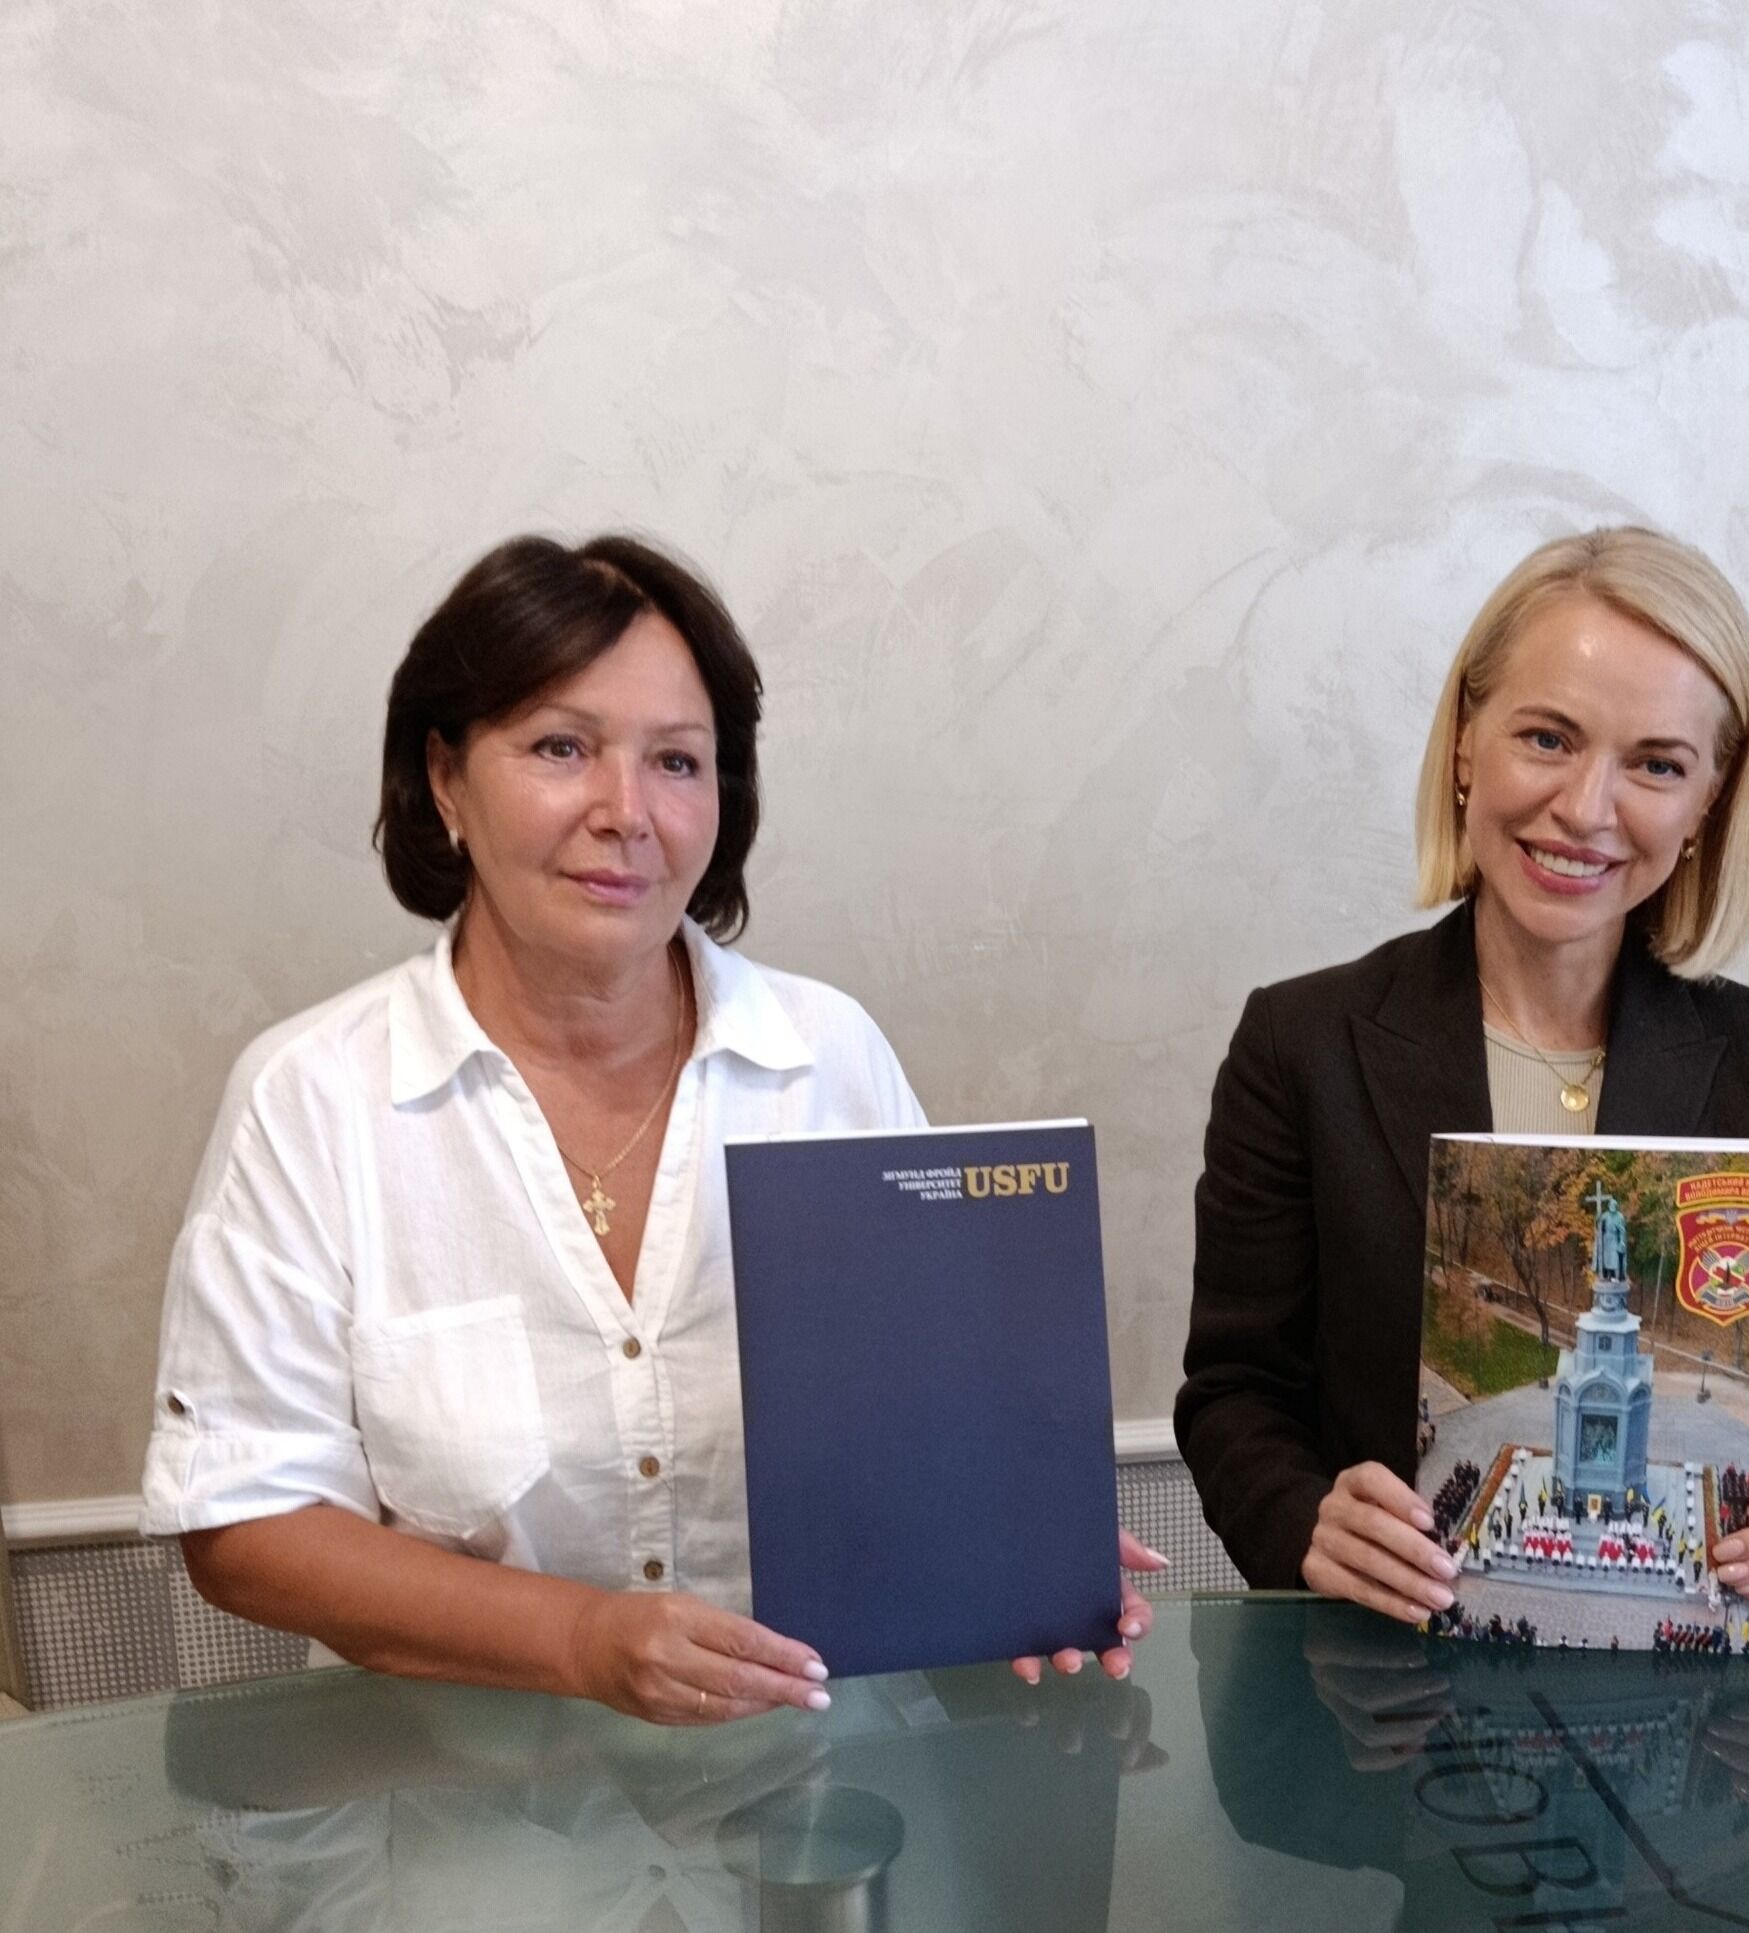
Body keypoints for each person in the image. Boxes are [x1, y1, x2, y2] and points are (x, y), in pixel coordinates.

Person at [141, 534, 1159, 1724]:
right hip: (457, 1799)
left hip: (812, 1789)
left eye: (676, 761)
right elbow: (245, 1527)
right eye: (560, 747)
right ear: (445, 778)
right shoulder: (311, 1097)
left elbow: (919, 1420)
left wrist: (1014, 1537)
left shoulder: (827, 1058)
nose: (625, 812)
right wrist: (579, 1640)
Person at [1176, 526, 1749, 1627]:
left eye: (1656, 764)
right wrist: (1306, 1526)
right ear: (1463, 745)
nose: (1585, 808)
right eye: (1547, 737)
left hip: (1677, 1701)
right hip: (1372, 1692)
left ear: (1707, 803)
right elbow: (1233, 1395)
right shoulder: (1298, 1045)